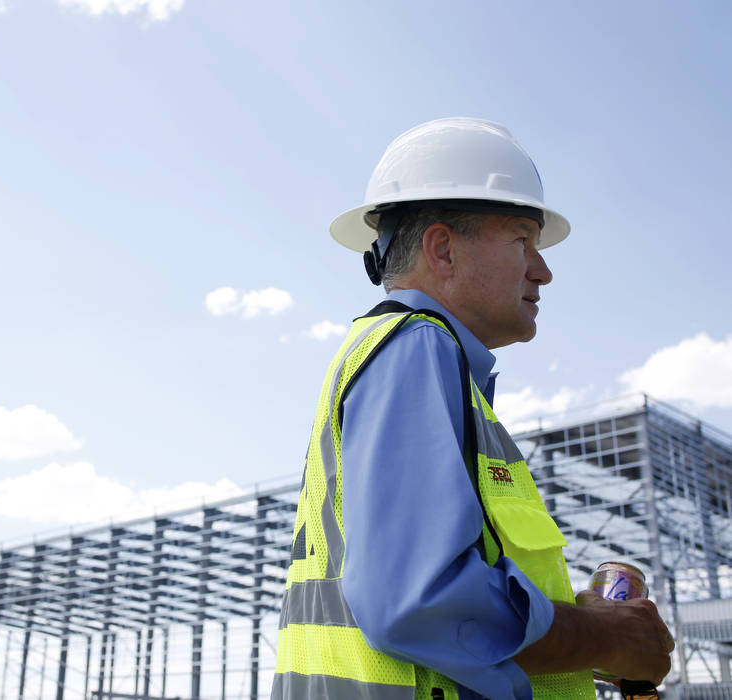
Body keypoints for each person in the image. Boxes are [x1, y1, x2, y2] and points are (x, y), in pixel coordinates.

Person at [270, 118, 674, 699]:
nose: (543, 270)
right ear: (442, 249)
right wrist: (601, 637)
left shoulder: (414, 363)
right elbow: (417, 600)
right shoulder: (416, 347)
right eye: (521, 240)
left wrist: (586, 626)